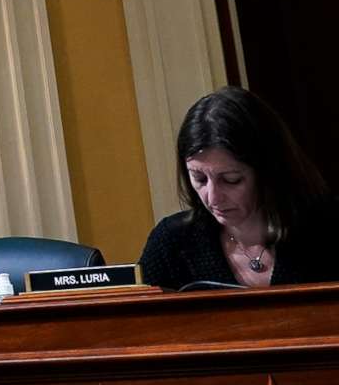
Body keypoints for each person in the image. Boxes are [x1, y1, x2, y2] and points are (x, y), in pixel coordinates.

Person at [139, 86, 337, 290]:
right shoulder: (172, 242)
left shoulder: (327, 229)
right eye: (199, 178)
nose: (213, 198)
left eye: (231, 179)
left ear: (268, 170)